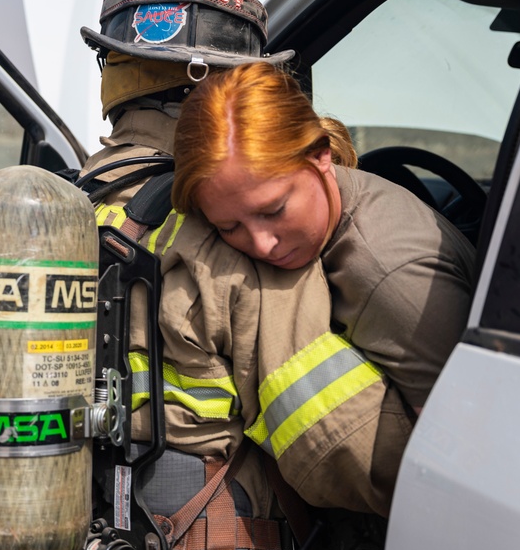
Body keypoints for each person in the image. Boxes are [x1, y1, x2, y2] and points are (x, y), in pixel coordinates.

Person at [78, 0, 415, 550]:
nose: (254, 234)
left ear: (113, 72)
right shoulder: (227, 239)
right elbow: (344, 447)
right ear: (235, 81)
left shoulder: (68, 204)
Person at [171, 62, 478, 417]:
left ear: (320, 155)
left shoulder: (387, 279)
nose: (261, 245)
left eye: (273, 211)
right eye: (229, 227)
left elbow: (460, 441)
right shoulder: (341, 200)